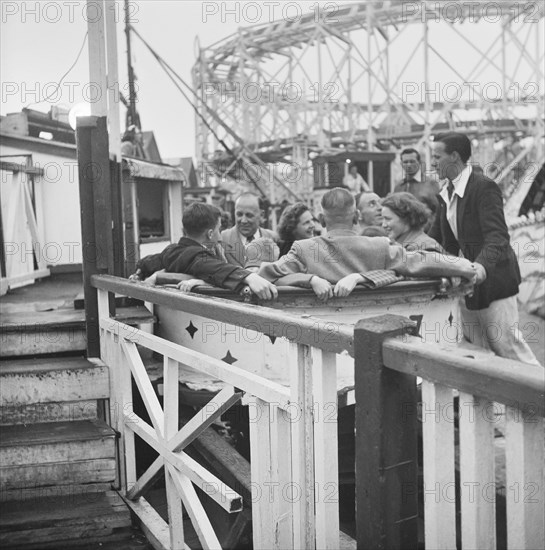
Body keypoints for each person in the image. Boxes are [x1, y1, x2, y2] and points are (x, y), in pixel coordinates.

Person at [429, 132, 540, 366]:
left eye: (437, 156)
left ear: (455, 157)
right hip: (468, 284)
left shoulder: (483, 187)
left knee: (507, 346)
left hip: (494, 281)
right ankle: (492, 404)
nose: (432, 162)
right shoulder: (446, 193)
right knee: (477, 354)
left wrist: (480, 267)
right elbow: (435, 240)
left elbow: (497, 237)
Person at [258, 188, 477, 300]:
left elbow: (266, 275)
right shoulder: (380, 246)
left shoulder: (304, 249)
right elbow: (422, 261)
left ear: (322, 220)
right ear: (356, 216)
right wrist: (467, 267)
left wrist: (310, 279)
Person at [129, 202, 278, 300]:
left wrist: (140, 271)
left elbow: (147, 262)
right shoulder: (196, 255)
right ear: (210, 234)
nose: (220, 235)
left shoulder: (170, 250)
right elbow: (214, 267)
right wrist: (250, 277)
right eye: (218, 229)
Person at [220, 192, 278, 268]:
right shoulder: (222, 239)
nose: (243, 220)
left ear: (261, 215)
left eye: (249, 215)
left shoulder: (273, 238)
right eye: (239, 214)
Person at [394, 148, 440, 217]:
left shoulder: (431, 183)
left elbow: (439, 211)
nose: (409, 165)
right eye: (405, 162)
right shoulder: (398, 186)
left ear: (419, 162)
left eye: (412, 161)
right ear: (401, 164)